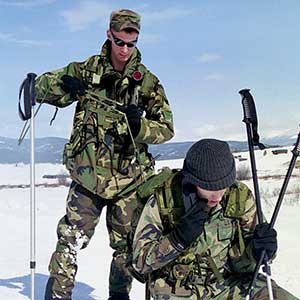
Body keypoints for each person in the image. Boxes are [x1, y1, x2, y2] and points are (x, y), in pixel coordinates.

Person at [35, 9, 174, 300]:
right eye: (120, 42)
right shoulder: (86, 70)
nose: (125, 49)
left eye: (131, 43)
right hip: (88, 176)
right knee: (70, 239)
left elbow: (166, 129)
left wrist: (140, 126)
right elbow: (40, 88)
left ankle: (119, 295)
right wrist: (65, 86)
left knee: (125, 246)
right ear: (109, 36)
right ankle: (58, 295)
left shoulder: (146, 82)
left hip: (128, 181)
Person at [132, 139, 299, 300]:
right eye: (209, 188)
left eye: (222, 187)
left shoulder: (239, 197)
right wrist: (178, 240)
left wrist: (260, 249)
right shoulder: (164, 200)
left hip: (228, 282)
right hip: (178, 290)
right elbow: (139, 263)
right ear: (192, 180)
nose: (217, 196)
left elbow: (249, 256)